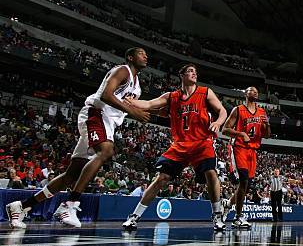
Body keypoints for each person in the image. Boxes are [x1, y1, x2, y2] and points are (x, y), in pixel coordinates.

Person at [5, 48, 150, 229]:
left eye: (146, 54)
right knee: (106, 151)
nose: (146, 56)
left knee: (71, 175)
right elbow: (106, 95)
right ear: (130, 57)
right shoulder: (122, 71)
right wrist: (132, 112)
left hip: (108, 123)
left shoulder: (137, 86)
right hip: (96, 114)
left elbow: (136, 104)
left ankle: (21, 206)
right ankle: (70, 204)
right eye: (141, 53)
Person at [121, 64, 228, 231]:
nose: (194, 74)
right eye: (190, 71)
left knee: (211, 173)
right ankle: (134, 216)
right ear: (182, 75)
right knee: (161, 178)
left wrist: (217, 122)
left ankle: (217, 214)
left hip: (202, 142)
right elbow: (149, 104)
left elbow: (222, 111)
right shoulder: (172, 96)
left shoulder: (205, 92)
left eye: (195, 72)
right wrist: (131, 102)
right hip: (180, 145)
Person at [223, 86, 270, 229]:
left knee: (246, 184)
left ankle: (229, 204)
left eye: (256, 91)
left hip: (252, 151)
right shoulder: (237, 110)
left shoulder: (262, 112)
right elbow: (225, 129)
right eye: (251, 90)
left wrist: (267, 125)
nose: (254, 92)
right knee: (243, 180)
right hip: (239, 147)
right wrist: (241, 134)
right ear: (245, 93)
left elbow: (267, 135)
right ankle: (238, 217)